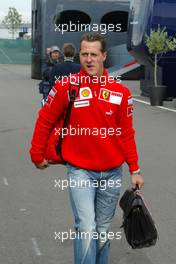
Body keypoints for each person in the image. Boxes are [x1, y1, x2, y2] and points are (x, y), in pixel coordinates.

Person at [30, 32, 144, 264]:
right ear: (79, 56)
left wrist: (134, 168)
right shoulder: (65, 86)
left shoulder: (121, 92)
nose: (89, 59)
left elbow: (126, 133)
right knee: (87, 226)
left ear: (103, 56)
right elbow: (45, 120)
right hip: (80, 170)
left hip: (112, 172)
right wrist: (36, 154)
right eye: (84, 54)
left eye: (94, 54)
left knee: (102, 231)